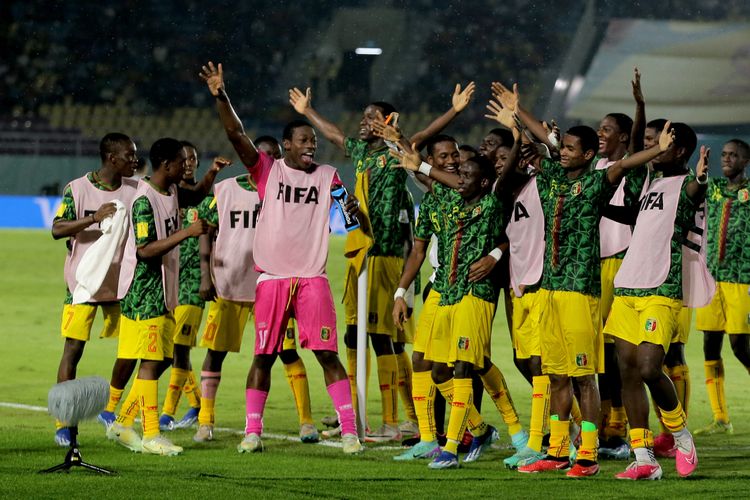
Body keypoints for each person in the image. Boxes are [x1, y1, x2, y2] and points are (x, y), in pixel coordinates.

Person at [290, 81, 475, 441]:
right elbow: (336, 135)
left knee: (382, 338)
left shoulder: (396, 150)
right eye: (363, 117)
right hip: (361, 254)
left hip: (387, 256)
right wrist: (307, 112)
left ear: (389, 120)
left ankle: (394, 419)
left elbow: (421, 137)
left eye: (371, 117)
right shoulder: (361, 152)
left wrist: (454, 111)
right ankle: (357, 414)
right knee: (353, 333)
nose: (364, 122)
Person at [201, 61, 362, 454]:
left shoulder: (328, 177)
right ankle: (252, 432)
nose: (312, 146)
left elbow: (350, 212)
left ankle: (349, 431)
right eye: (305, 141)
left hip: (312, 278)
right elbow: (235, 133)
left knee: (327, 354)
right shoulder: (267, 172)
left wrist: (354, 211)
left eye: (315, 142)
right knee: (264, 355)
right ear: (286, 145)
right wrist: (222, 95)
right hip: (272, 278)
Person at [106, 138, 227, 456]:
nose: (186, 166)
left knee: (160, 358)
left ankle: (122, 422)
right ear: (166, 165)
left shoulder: (171, 190)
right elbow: (144, 251)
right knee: (150, 361)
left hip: (163, 289)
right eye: (181, 162)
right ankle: (151, 434)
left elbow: (197, 194)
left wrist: (212, 173)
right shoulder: (144, 199)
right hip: (145, 290)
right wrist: (187, 232)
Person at [604, 123, 707, 480]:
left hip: (662, 287)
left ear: (680, 151)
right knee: (628, 372)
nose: (655, 148)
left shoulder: (686, 184)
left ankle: (680, 434)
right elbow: (633, 171)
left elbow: (695, 192)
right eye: (652, 142)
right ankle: (644, 458)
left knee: (650, 367)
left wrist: (702, 180)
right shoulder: (647, 182)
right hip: (628, 285)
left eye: (663, 144)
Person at [51, 132, 140, 446]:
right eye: (129, 156)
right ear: (112, 158)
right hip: (84, 283)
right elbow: (57, 228)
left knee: (132, 348)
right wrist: (93, 218)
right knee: (73, 351)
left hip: (123, 282)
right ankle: (64, 422)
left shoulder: (136, 188)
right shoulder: (77, 189)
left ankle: (110, 408)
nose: (135, 161)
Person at [694, 138, 750, 435]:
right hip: (712, 279)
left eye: (733, 155)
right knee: (709, 345)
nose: (726, 159)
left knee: (741, 346)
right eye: (724, 155)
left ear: (745, 161)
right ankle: (720, 418)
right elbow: (694, 188)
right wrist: (700, 173)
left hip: (742, 279)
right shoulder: (712, 188)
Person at [158, 141, 206, 432]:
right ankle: (198, 404)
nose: (188, 163)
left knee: (179, 346)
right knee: (177, 348)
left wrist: (207, 277)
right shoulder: (170, 196)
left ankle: (166, 413)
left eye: (193, 158)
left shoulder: (206, 197)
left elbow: (210, 239)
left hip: (194, 283)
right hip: (171, 279)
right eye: (184, 158)